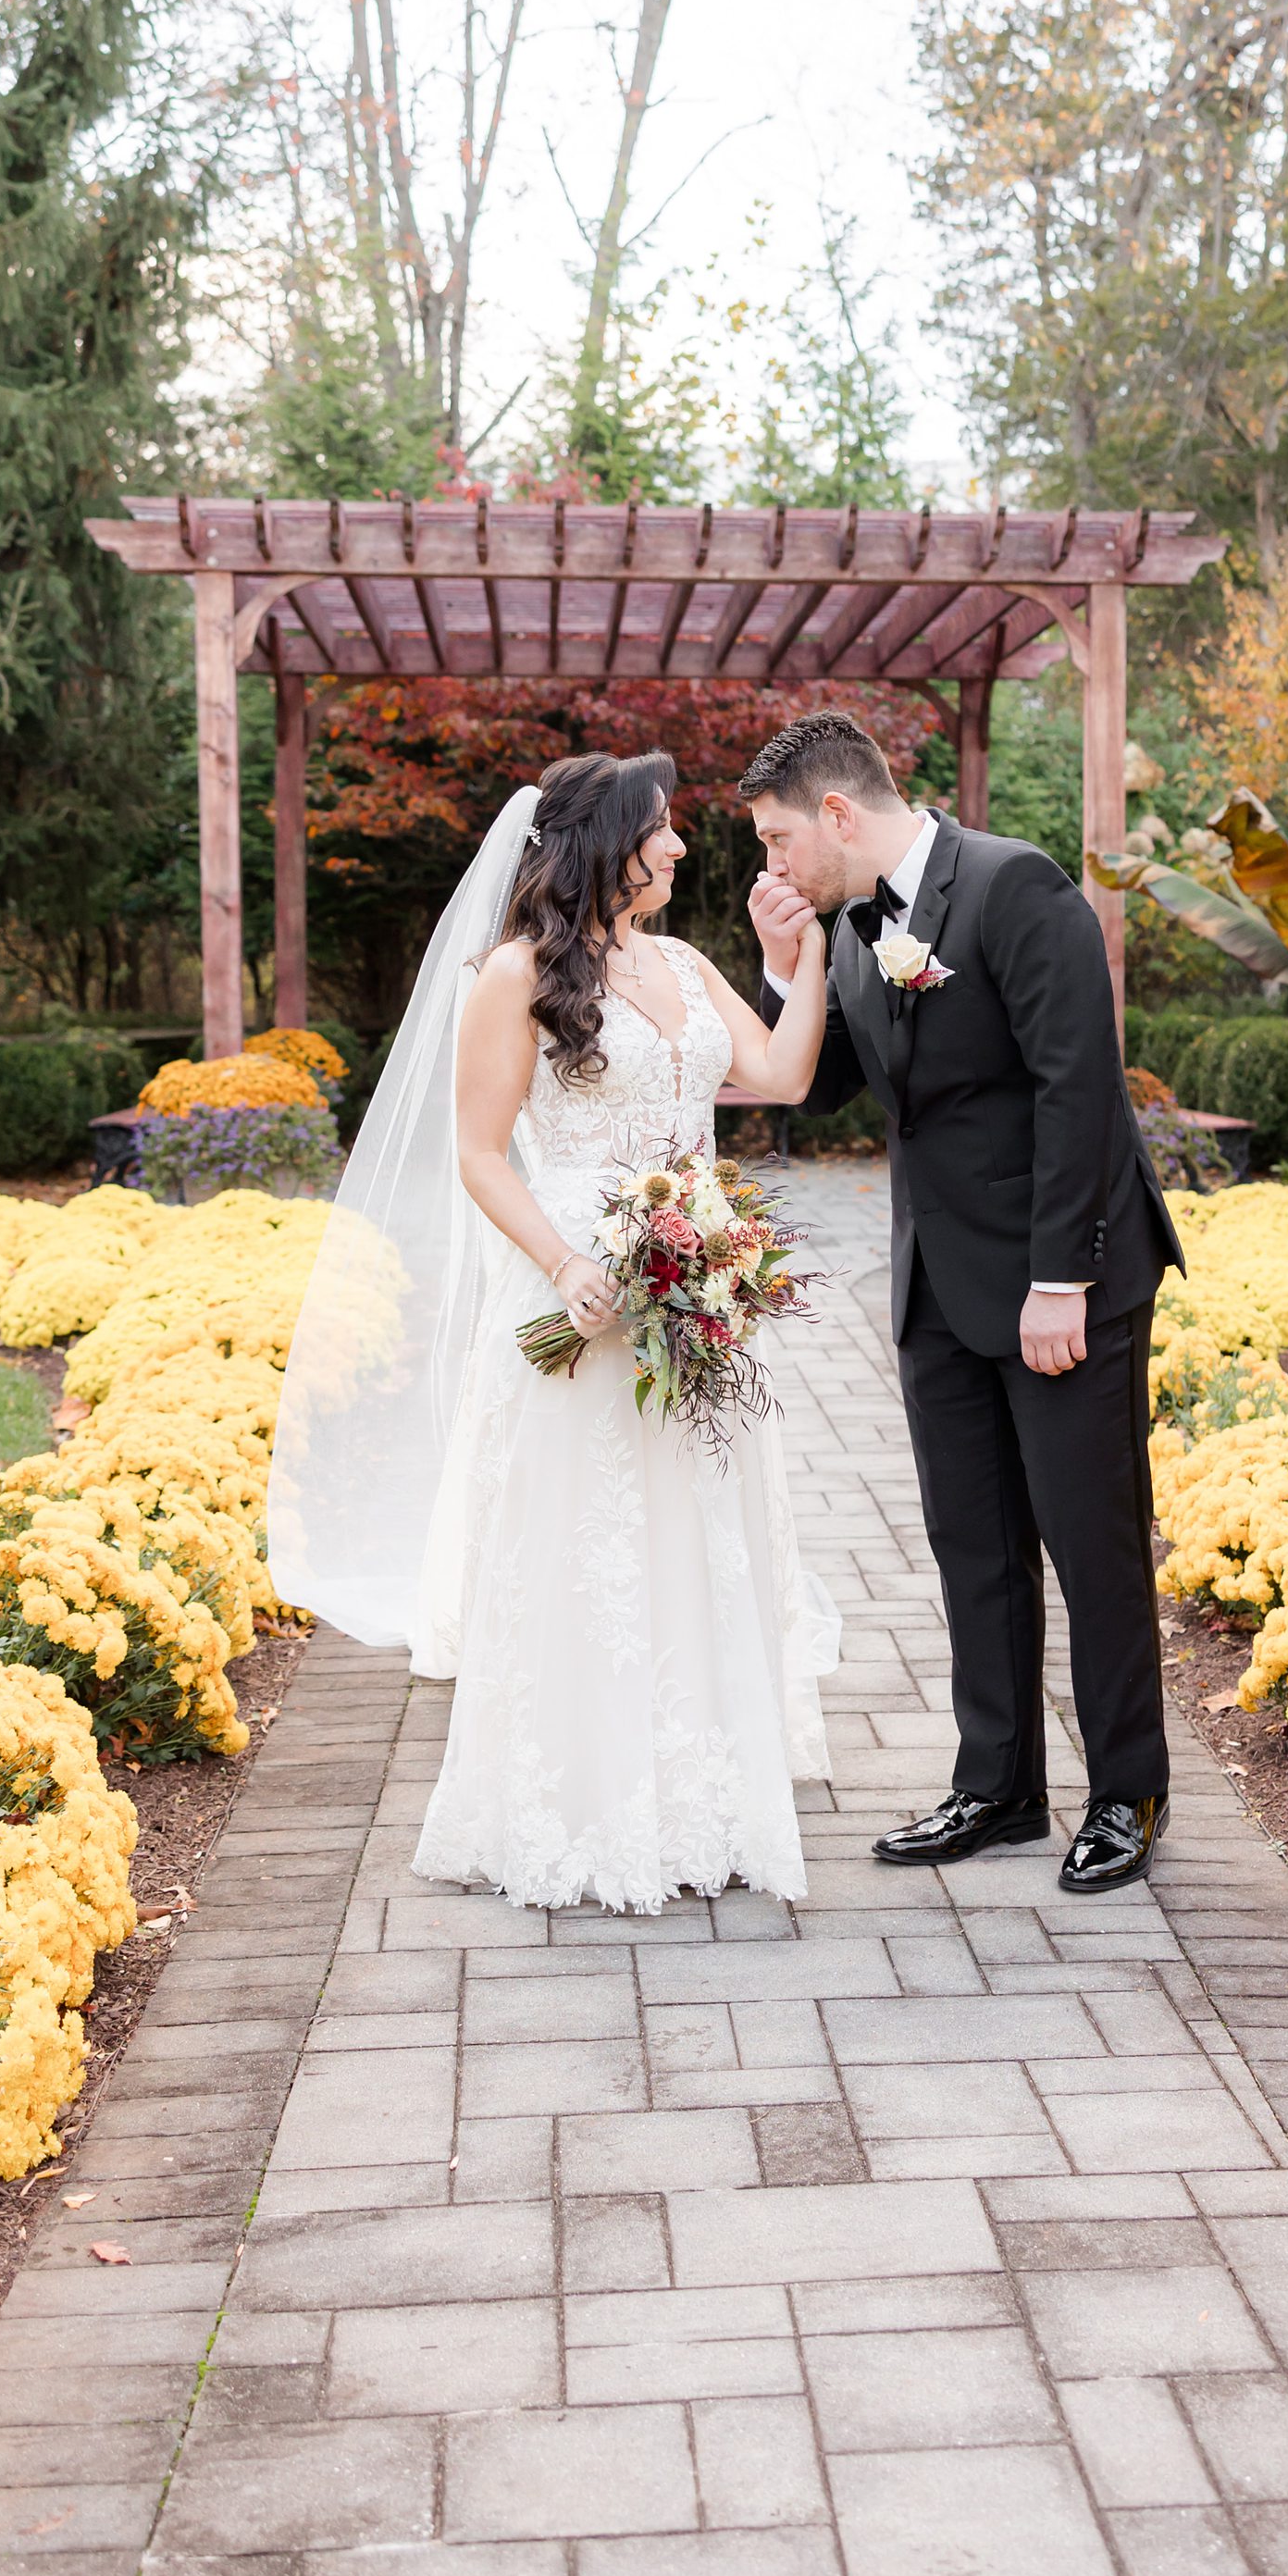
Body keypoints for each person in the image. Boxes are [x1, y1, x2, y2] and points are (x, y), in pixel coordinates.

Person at [268, 752, 838, 1913]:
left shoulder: (682, 961)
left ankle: (703, 1794)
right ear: (598, 843)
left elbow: (779, 1071)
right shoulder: (513, 976)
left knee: (696, 1530)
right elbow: (480, 1154)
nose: (679, 848)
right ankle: (578, 1804)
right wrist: (571, 1261)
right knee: (587, 1543)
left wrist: (802, 961)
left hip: (698, 1285)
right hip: (576, 1294)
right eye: (660, 829)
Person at [742, 709, 1183, 1892]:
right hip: (935, 1281)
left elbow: (1075, 1093)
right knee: (970, 1546)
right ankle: (998, 1787)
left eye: (781, 843)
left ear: (838, 814)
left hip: (1060, 1284)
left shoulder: (1014, 887)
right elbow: (825, 1088)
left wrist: (1062, 1279)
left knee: (1090, 1545)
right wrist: (787, 967)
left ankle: (1129, 1794)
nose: (773, 869)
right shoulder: (849, 930)